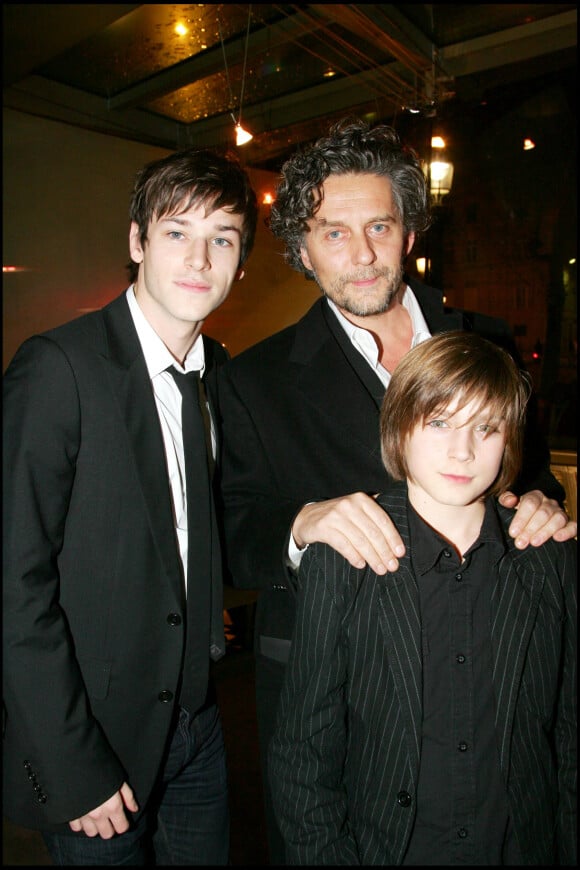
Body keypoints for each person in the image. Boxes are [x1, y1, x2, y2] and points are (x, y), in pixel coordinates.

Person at [216, 118, 577, 863]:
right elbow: (225, 532)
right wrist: (302, 522)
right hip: (341, 708)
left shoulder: (488, 342)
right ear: (302, 249)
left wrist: (540, 501)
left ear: (408, 229)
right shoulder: (252, 381)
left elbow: (524, 466)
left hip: (488, 675)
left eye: (379, 224)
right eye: (333, 232)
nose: (362, 252)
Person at [3, 147, 258, 865]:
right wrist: (68, 764)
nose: (200, 259)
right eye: (177, 232)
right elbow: (13, 585)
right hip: (95, 745)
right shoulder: (59, 367)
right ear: (138, 242)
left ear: (239, 264)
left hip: (198, 729)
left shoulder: (214, 379)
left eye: (223, 239)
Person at [268, 331, 577, 866]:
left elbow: (569, 737)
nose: (463, 451)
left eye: (486, 428)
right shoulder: (341, 561)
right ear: (399, 426)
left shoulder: (546, 559)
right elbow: (304, 755)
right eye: (439, 422)